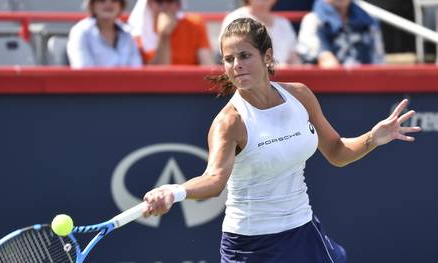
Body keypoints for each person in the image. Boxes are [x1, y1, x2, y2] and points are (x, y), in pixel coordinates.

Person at [140, 18, 421, 262]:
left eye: (245, 55)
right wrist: (174, 192)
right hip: (252, 247)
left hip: (303, 231)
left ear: (267, 56)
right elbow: (214, 180)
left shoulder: (300, 96)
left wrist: (373, 137)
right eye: (228, 59)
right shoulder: (230, 122)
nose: (237, 65)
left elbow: (337, 151)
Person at [297, 0, 385, 68]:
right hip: (328, 86)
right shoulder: (312, 20)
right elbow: (325, 61)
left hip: (367, 83)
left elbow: (379, 60)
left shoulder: (369, 21)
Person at [128, 0, 214, 65]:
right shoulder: (139, 33)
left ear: (178, 4)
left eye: (170, 1)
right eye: (159, 1)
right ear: (149, 4)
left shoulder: (195, 24)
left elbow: (207, 67)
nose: (165, 7)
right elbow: (157, 77)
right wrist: (164, 36)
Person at [220, 0, 301, 66]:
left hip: (284, 79)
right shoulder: (234, 18)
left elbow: (294, 58)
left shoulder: (283, 23)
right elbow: (230, 54)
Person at [67, 0, 142, 68]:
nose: (108, 3)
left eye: (114, 0)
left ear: (121, 5)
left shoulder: (128, 33)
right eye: (101, 0)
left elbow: (137, 68)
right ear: (92, 4)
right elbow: (83, 71)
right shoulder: (80, 32)